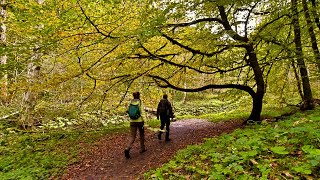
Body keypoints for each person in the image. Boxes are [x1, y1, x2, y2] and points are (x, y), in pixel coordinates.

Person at [124, 92, 146, 159]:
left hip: (132, 122)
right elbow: (142, 112)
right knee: (141, 135)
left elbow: (127, 111)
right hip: (140, 121)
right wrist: (145, 121)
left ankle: (127, 148)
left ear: (133, 96)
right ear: (139, 96)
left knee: (132, 137)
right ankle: (142, 148)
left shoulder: (131, 102)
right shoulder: (140, 102)